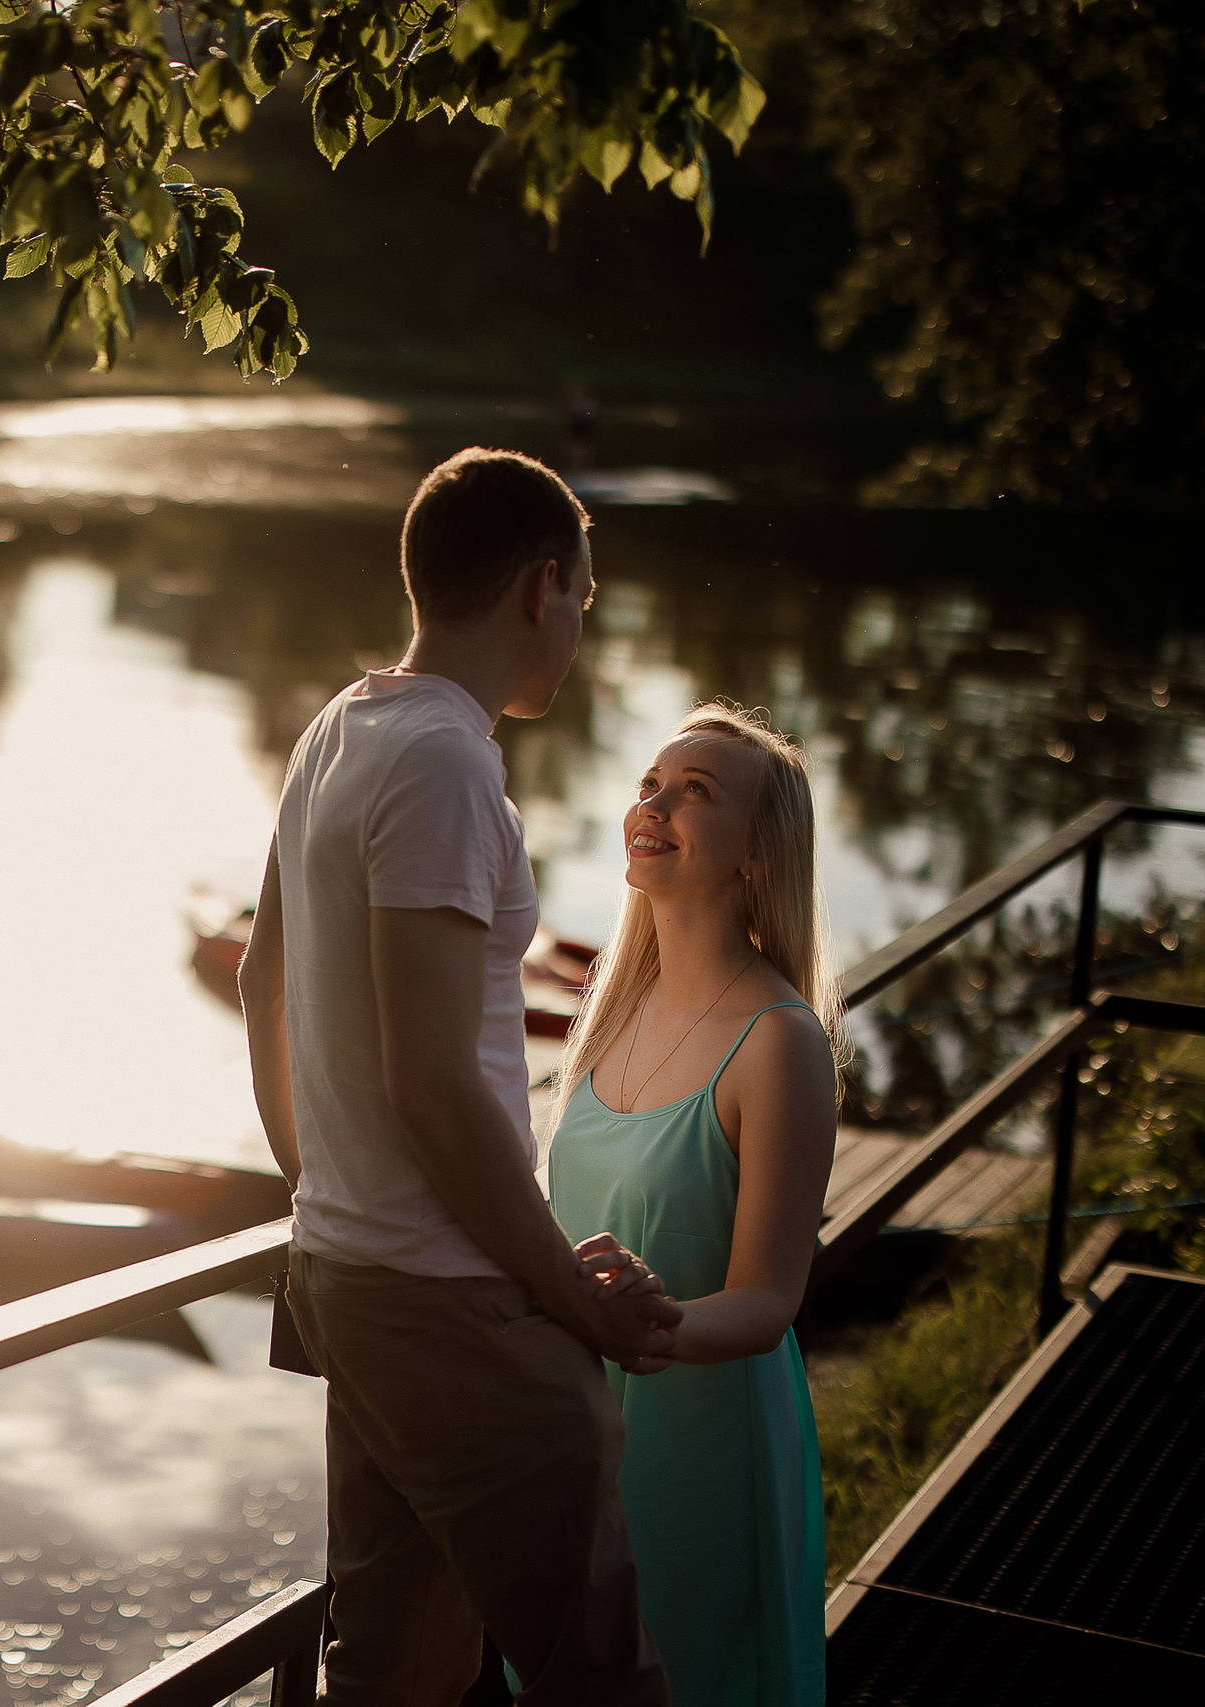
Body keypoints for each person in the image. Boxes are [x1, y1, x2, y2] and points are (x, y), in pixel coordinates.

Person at [241, 447, 680, 1707]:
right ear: (541, 586)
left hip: (348, 1275)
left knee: (396, 1668)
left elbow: (260, 983)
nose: (582, 630)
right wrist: (566, 1294)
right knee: (598, 1672)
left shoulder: (340, 726)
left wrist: (321, 1189)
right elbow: (433, 1086)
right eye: (586, 602)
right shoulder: (443, 763)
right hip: (445, 1300)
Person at [540, 705, 841, 1706]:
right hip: (574, 1428)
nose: (652, 805)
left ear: (756, 855)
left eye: (695, 792)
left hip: (697, 1449)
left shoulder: (778, 1040)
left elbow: (768, 1299)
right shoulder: (612, 1003)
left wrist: (652, 1321)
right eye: (649, 783)